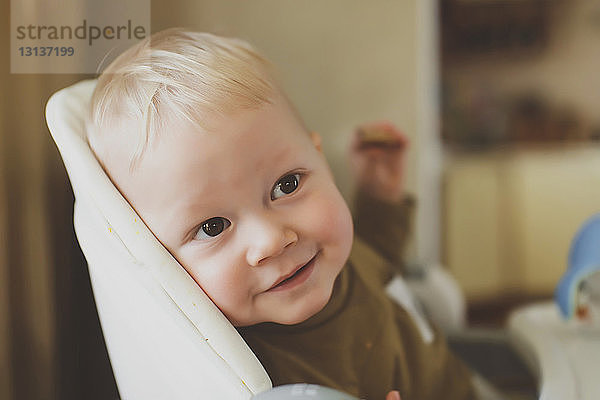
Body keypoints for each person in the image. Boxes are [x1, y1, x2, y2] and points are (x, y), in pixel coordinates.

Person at [86, 28, 476, 400]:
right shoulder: (261, 377)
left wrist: (378, 196)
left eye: (287, 185)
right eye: (212, 227)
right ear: (160, 262)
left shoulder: (326, 257)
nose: (271, 240)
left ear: (318, 157)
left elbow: (377, 266)